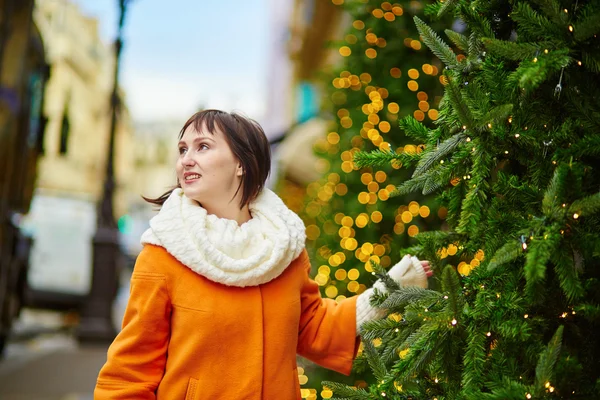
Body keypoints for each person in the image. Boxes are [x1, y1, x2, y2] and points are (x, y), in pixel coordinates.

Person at [94, 109, 433, 399]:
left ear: (241, 163)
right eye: (183, 149)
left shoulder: (283, 251)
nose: (187, 159)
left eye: (203, 146)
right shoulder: (164, 253)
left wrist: (387, 291)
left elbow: (315, 328)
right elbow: (130, 370)